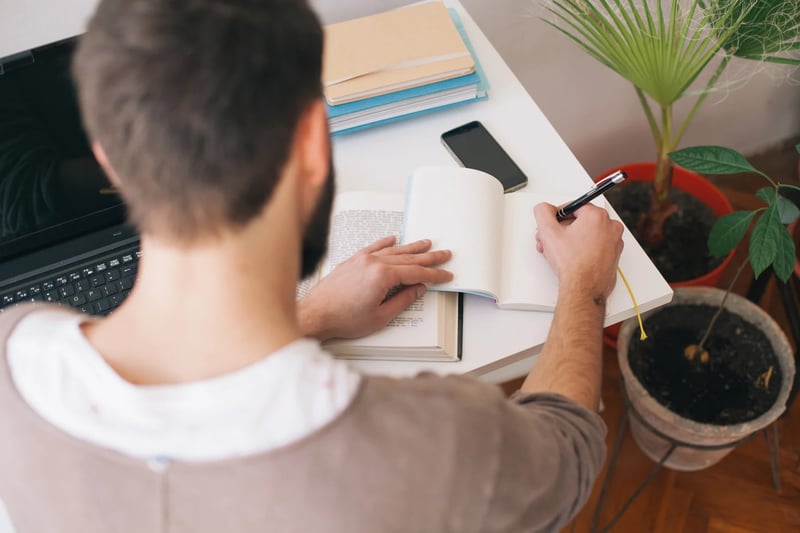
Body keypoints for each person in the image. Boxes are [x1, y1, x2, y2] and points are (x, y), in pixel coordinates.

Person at [0, 0, 624, 532]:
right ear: (309, 142)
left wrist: (314, 314)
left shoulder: (12, 348)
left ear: (108, 159)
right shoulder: (436, 444)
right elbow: (569, 452)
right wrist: (584, 287)